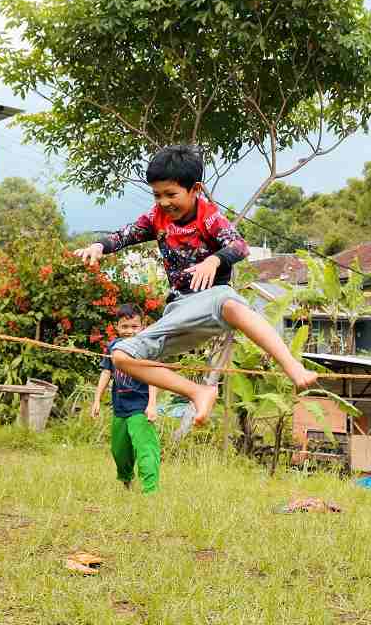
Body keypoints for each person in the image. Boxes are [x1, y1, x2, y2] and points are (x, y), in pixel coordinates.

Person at [74, 145, 316, 426]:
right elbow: (126, 234)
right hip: (180, 308)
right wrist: (99, 245)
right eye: (157, 195)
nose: (163, 202)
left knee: (234, 307)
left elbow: (239, 245)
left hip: (213, 298)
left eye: (171, 194)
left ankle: (292, 366)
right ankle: (198, 392)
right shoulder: (156, 217)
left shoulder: (209, 217)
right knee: (122, 355)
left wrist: (214, 261)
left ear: (195, 189)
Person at [91, 304, 161, 493]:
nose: (129, 331)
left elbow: (154, 376)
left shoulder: (146, 346)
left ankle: (150, 491)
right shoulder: (113, 347)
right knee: (119, 451)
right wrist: (97, 399)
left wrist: (152, 404)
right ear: (117, 326)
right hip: (120, 407)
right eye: (125, 326)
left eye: (134, 326)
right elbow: (107, 372)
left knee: (145, 448)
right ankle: (126, 480)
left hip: (141, 406)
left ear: (142, 326)